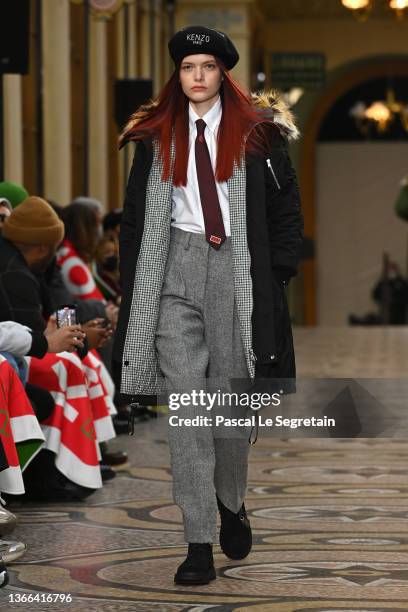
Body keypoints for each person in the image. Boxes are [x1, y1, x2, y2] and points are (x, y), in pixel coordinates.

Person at [112, 25, 303, 585]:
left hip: (237, 270)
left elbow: (287, 209)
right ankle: (197, 539)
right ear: (178, 74)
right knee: (188, 407)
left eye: (209, 67)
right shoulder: (153, 134)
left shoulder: (260, 135)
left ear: (224, 73)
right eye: (188, 67)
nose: (197, 76)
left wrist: (276, 273)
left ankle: (230, 501)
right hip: (173, 266)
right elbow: (133, 217)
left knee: (228, 404)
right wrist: (135, 282)